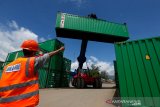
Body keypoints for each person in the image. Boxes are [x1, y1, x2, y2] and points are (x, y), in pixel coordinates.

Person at [0, 39, 64, 107]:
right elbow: (47, 55)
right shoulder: (32, 62)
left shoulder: (7, 66)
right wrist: (60, 50)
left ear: (23, 50)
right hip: (24, 104)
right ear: (34, 52)